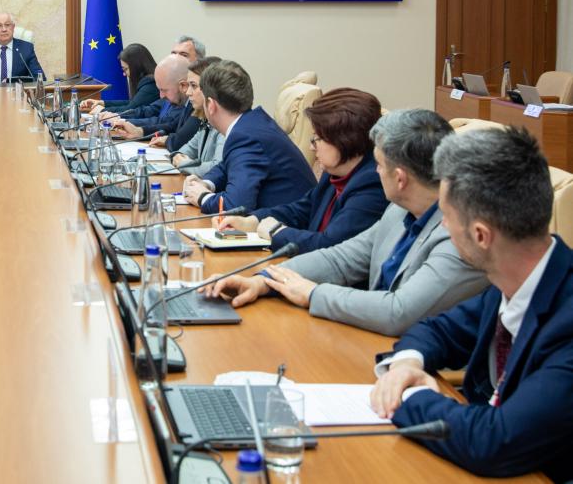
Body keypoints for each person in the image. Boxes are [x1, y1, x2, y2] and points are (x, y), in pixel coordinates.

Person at [370, 127, 573, 480]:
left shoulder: (566, 321)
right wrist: (405, 365)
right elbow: (438, 330)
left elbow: (495, 441)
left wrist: (410, 396)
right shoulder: (513, 279)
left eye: (446, 217)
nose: (443, 227)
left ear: (480, 235)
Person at [209, 109, 488, 336]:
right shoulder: (399, 211)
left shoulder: (458, 235)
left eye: (380, 164)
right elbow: (341, 259)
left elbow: (398, 311)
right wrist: (262, 281)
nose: (375, 171)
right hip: (370, 337)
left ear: (400, 178)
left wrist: (314, 294)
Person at [216, 88, 388, 254]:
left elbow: (329, 245)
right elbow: (301, 210)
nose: (312, 147)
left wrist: (276, 232)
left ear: (343, 140)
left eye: (317, 139)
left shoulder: (372, 185)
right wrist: (252, 221)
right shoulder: (336, 172)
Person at [183, 60, 315, 212]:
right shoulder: (253, 122)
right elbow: (228, 165)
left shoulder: (246, 137)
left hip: (290, 223)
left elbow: (236, 206)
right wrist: (206, 183)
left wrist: (202, 197)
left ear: (211, 105)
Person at [105, 53, 192, 149]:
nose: (161, 96)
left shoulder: (195, 105)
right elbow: (172, 126)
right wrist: (140, 131)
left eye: (164, 90)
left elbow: (179, 137)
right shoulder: (184, 102)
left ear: (183, 85)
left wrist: (169, 140)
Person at [170, 56, 225, 176]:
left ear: (210, 88)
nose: (188, 92)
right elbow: (182, 151)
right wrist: (178, 157)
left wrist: (184, 164)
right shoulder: (206, 121)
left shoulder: (224, 126)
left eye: (194, 86)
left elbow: (217, 168)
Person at [80, 43, 158, 115]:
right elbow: (132, 103)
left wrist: (102, 110)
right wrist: (102, 103)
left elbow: (130, 109)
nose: (124, 74)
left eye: (125, 69)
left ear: (137, 67)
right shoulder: (147, 81)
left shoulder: (150, 84)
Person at [0, 11, 45, 82]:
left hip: (16, 90)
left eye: (7, 25)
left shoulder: (26, 48)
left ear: (13, 27)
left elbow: (40, 78)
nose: (4, 29)